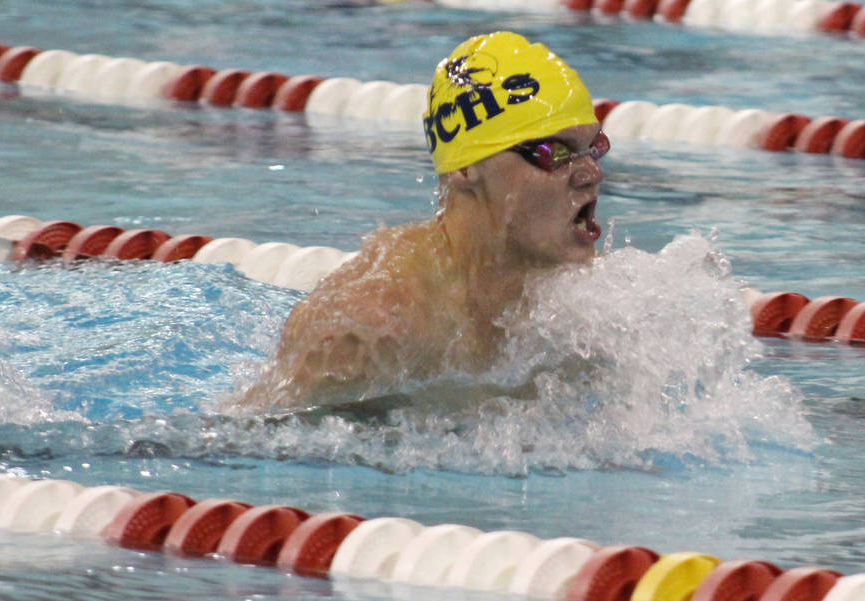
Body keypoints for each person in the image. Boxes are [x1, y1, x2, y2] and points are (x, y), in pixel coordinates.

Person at [239, 31, 609, 412]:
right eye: (555, 152)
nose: (591, 173)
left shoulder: (589, 310)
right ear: (466, 167)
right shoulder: (369, 330)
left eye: (593, 148)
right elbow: (238, 446)